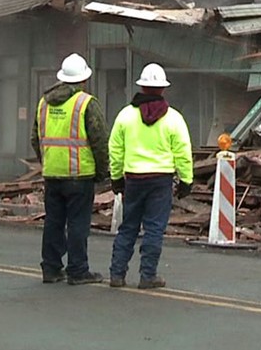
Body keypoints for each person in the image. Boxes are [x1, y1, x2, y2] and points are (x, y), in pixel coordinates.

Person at [108, 63, 194, 289]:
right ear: (163, 89)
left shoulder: (126, 116)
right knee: (154, 228)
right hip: (161, 180)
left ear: (142, 87)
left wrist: (116, 178)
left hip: (134, 179)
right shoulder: (174, 119)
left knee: (128, 226)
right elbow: (183, 152)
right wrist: (186, 180)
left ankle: (117, 274)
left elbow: (115, 150)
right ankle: (148, 275)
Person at [31, 53, 109, 285]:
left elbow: (36, 138)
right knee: (77, 223)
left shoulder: (43, 103)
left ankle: (51, 268)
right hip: (79, 175)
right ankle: (78, 270)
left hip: (52, 173)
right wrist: (103, 172)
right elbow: (99, 141)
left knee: (53, 222)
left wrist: (47, 160)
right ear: (83, 80)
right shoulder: (85, 103)